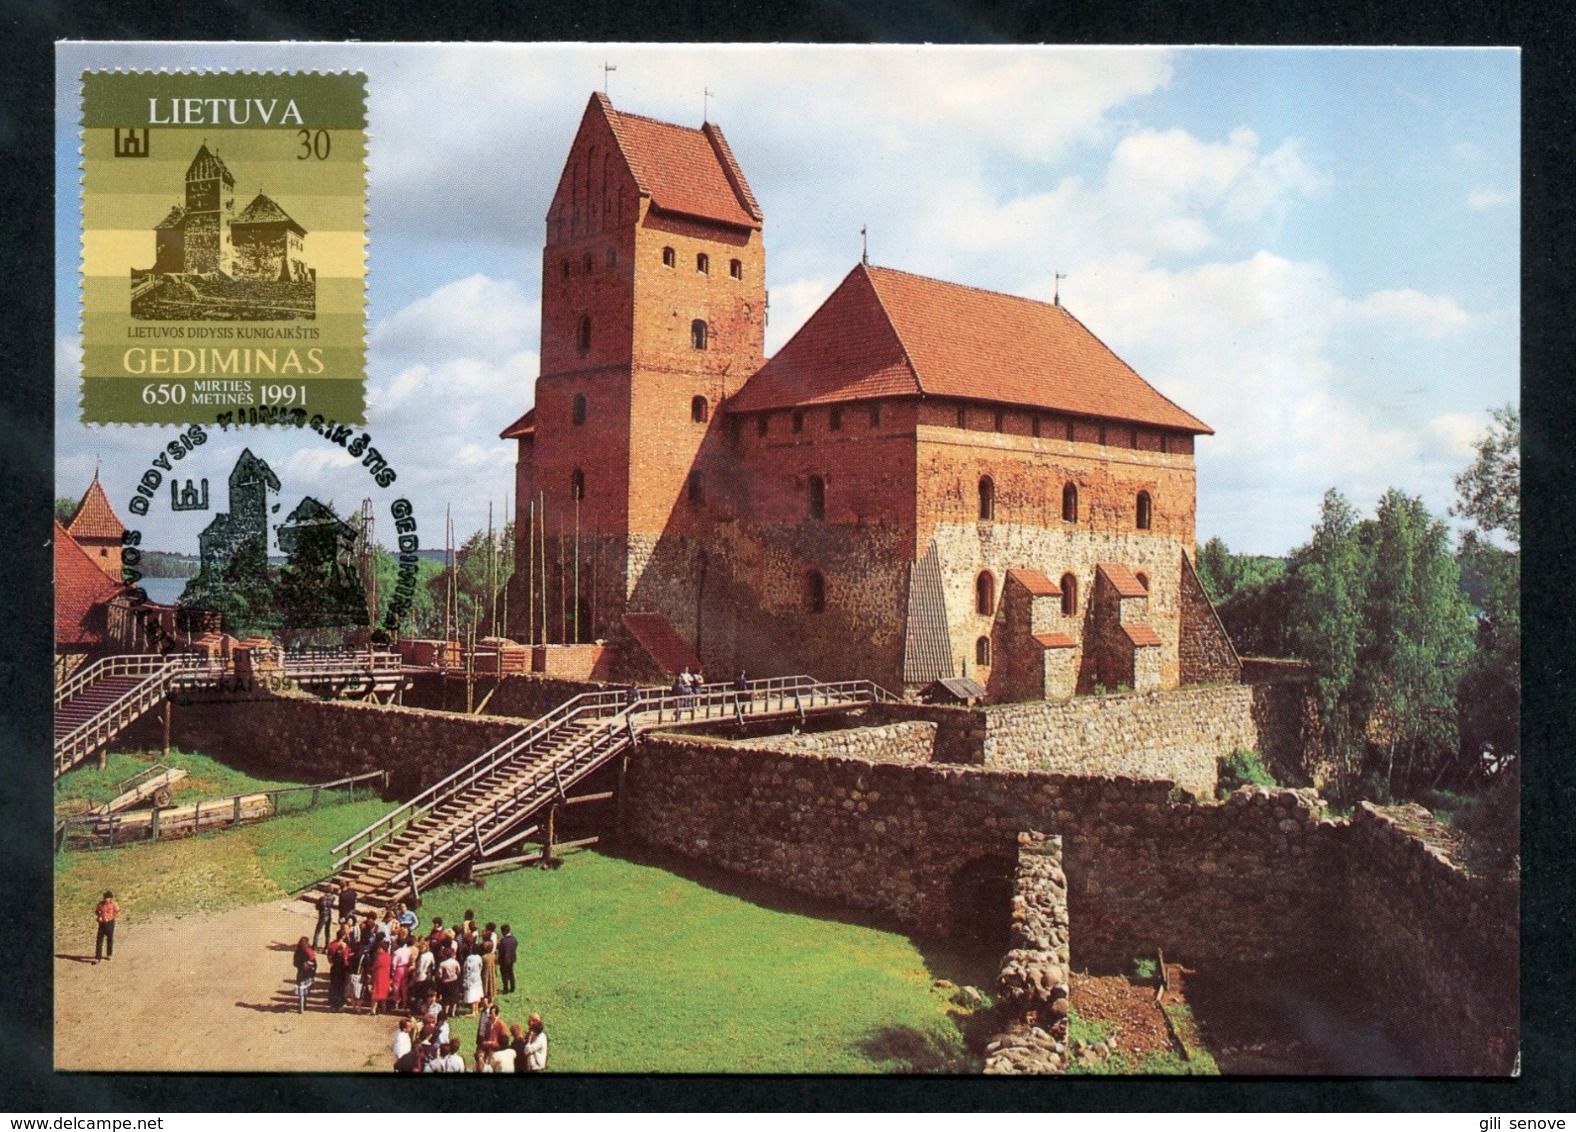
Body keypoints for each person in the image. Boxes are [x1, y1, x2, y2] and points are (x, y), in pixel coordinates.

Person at [326, 925, 352, 1012]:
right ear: (343, 936)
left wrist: (332, 963)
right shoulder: (345, 946)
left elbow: (329, 958)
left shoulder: (332, 945)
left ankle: (333, 1005)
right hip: (343, 969)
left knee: (334, 986)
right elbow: (347, 957)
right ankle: (340, 1006)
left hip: (334, 968)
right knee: (342, 987)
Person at [292, 936, 317, 1014]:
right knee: (305, 990)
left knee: (301, 991)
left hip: (301, 973)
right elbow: (314, 963)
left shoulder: (297, 952)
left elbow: (295, 963)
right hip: (307, 974)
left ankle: (302, 1006)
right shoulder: (309, 951)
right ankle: (303, 1005)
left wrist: (300, 965)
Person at [94, 890, 119, 962]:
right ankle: (98, 957)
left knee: (110, 939)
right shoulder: (100, 904)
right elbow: (97, 911)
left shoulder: (114, 904)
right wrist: (99, 916)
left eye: (108, 898)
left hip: (110, 923)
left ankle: (109, 954)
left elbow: (117, 911)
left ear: (111, 898)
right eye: (105, 898)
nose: (106, 899)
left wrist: (112, 917)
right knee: (99, 940)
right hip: (102, 924)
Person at [369, 938, 392, 1016]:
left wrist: (371, 970)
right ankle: (384, 1009)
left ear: (383, 949)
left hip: (378, 976)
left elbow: (375, 966)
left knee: (375, 994)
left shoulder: (380, 957)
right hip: (386, 976)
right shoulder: (388, 956)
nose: (378, 950)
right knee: (383, 994)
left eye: (379, 948)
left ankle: (373, 1010)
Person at [497, 924, 518, 995]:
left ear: (504, 931)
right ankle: (512, 987)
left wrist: (499, 960)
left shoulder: (503, 941)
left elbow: (501, 951)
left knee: (504, 975)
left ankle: (505, 988)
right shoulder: (514, 939)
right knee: (511, 973)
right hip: (511, 959)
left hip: (504, 960)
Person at [314, 885, 336, 950]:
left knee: (318, 931)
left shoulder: (322, 898)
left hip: (323, 914)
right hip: (329, 914)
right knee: (327, 930)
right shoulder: (333, 898)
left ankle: (315, 946)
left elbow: (317, 907)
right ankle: (327, 946)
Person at [462, 947, 484, 1015]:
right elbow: (481, 966)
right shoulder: (479, 957)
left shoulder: (469, 958)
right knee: (477, 992)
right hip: (477, 976)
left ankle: (473, 1011)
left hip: (470, 977)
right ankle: (476, 1009)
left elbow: (465, 967)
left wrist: (465, 975)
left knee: (472, 993)